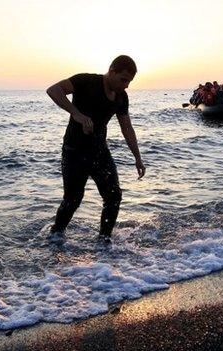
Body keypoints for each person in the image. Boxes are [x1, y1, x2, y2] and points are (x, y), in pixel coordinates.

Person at [46, 55, 145, 241]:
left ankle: (104, 241)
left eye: (129, 81)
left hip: (99, 151)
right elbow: (53, 90)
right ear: (112, 71)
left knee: (114, 196)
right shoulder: (86, 81)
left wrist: (138, 158)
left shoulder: (121, 97)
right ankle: (55, 237)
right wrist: (76, 114)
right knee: (72, 200)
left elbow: (127, 128)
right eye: (124, 80)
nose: (126, 85)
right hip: (74, 151)